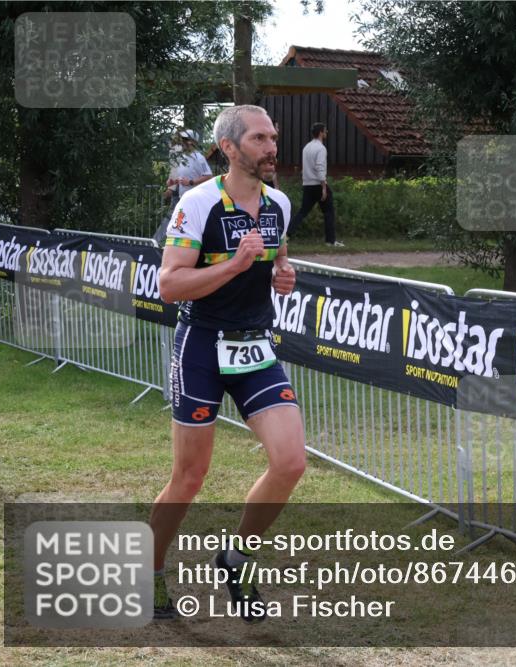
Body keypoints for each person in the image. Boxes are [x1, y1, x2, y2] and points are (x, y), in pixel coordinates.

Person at [149, 105, 306, 623]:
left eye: (273, 137)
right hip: (201, 348)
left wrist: (283, 273)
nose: (272, 147)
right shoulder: (197, 204)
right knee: (189, 477)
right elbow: (169, 285)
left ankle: (235, 559)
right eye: (259, 139)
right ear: (230, 148)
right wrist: (236, 264)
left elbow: (278, 256)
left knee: (291, 462)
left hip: (255, 345)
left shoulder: (278, 203)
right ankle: (150, 570)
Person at [287, 122, 341, 246]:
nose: (326, 132)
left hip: (307, 184)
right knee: (328, 212)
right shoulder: (321, 149)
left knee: (302, 211)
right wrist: (324, 187)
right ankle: (330, 241)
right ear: (321, 132)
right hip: (318, 184)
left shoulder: (306, 147)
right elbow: (320, 167)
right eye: (325, 130)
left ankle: (287, 235)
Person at [166, 129, 213, 202]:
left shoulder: (199, 158)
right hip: (182, 199)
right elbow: (180, 178)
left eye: (184, 140)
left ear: (192, 142)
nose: (181, 142)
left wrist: (191, 182)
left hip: (196, 200)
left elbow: (208, 176)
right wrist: (173, 183)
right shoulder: (181, 157)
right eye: (181, 140)